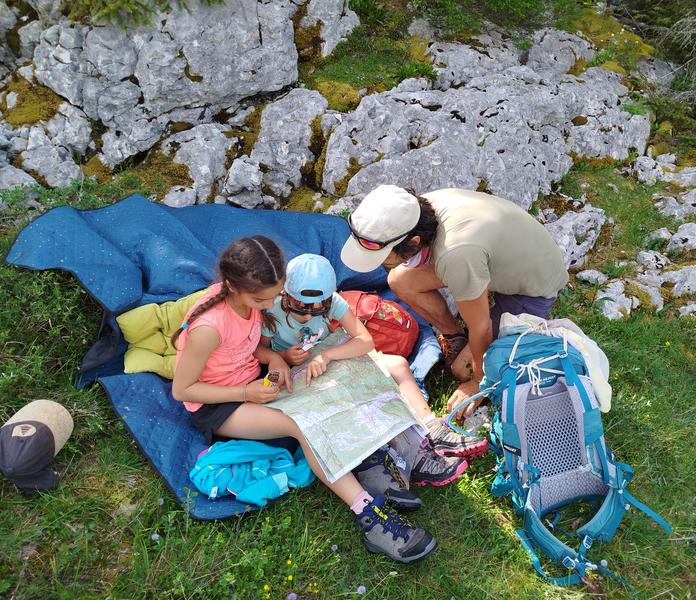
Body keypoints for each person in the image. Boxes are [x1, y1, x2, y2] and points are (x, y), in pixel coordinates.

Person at [171, 236, 436, 564]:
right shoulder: (209, 328)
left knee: (329, 389)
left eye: (274, 295)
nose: (269, 305)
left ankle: (372, 460)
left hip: (256, 382)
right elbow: (183, 390)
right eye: (260, 300)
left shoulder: (258, 300)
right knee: (304, 425)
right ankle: (369, 517)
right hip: (219, 405)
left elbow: (252, 345)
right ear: (232, 286)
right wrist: (244, 393)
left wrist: (277, 358)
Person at [340, 185, 568, 419]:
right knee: (399, 279)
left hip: (533, 285)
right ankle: (454, 336)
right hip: (494, 259)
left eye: (383, 257)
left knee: (463, 369)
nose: (381, 263)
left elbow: (481, 327)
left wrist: (479, 382)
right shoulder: (412, 211)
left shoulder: (455, 254)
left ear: (414, 242)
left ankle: (481, 371)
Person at [261, 253, 488, 488]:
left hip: (331, 361)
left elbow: (364, 340)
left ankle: (432, 428)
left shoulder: (335, 303)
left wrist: (326, 355)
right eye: (300, 308)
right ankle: (402, 456)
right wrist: (283, 357)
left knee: (398, 365)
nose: (309, 315)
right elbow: (259, 351)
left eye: (318, 309)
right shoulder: (273, 310)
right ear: (286, 295)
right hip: (300, 374)